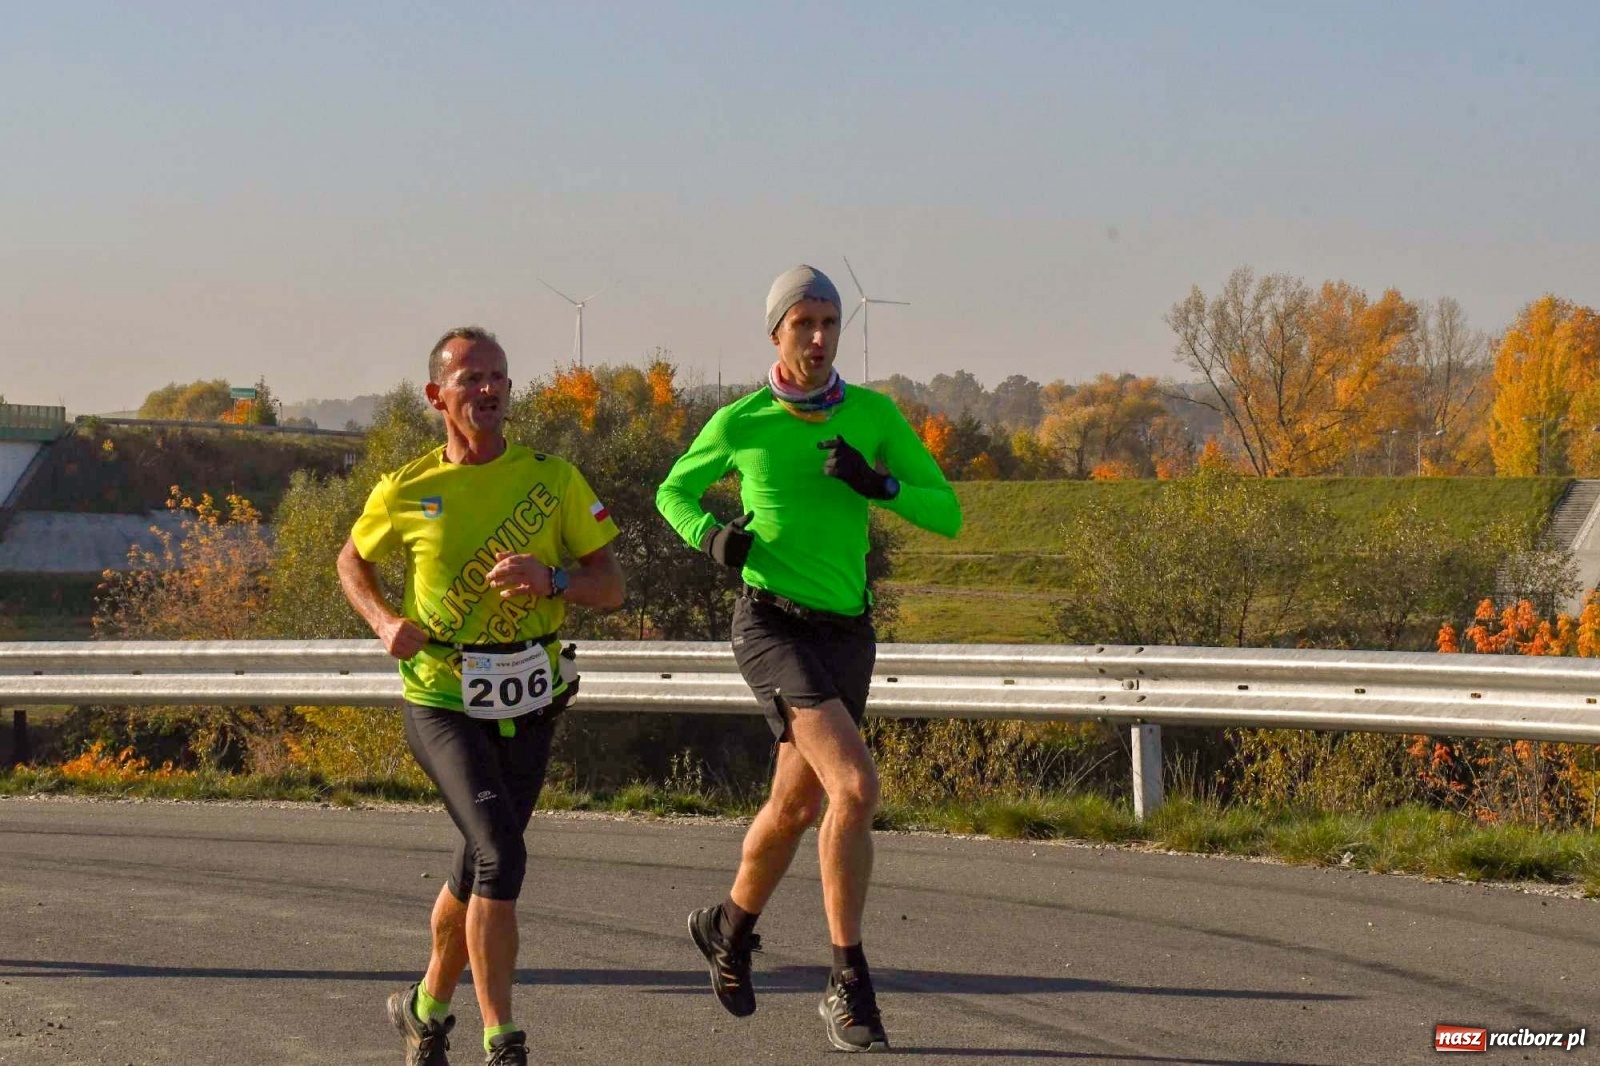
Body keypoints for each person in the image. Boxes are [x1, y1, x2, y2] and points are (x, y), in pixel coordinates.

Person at [656, 265, 962, 1052]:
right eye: (805, 324)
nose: (820, 337)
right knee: (854, 787)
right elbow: (672, 493)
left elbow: (949, 513)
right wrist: (713, 537)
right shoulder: (743, 420)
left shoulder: (873, 414)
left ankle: (727, 928)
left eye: (830, 323)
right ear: (776, 334)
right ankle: (847, 982)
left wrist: (879, 482)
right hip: (771, 626)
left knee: (795, 808)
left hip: (847, 631)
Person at [337, 326, 625, 1066]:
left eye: (499, 377)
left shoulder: (553, 479)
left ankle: (426, 1007)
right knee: (500, 855)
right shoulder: (408, 488)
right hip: (442, 697)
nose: (489, 390)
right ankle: (503, 1036)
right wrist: (382, 621)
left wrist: (552, 578)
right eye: (472, 379)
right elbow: (351, 560)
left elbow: (612, 586)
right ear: (438, 395)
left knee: (478, 862)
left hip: (531, 696)